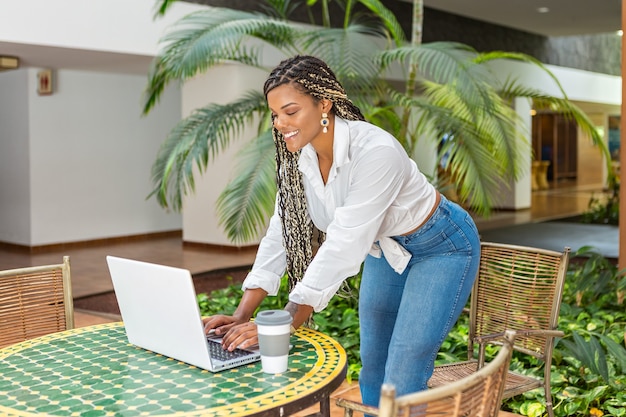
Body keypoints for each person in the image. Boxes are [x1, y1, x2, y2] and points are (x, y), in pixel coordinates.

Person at [202, 55, 481, 407]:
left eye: (290, 112)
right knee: (373, 365)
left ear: (324, 104)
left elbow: (345, 243)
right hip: (385, 248)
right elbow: (281, 233)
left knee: (405, 366)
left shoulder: (376, 151)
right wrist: (242, 314)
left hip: (441, 245)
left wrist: (287, 321)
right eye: (275, 115)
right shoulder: (300, 160)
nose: (279, 123)